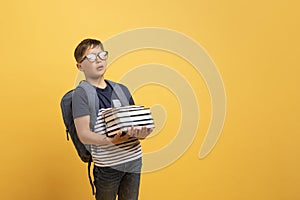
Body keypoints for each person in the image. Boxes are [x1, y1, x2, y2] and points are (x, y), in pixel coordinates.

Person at [72, 38, 153, 200]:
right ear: (80, 66)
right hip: (108, 166)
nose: (99, 60)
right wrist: (111, 141)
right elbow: (83, 134)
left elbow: (134, 125)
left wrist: (142, 133)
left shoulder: (121, 89)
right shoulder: (81, 94)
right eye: (92, 57)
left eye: (102, 55)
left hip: (133, 160)